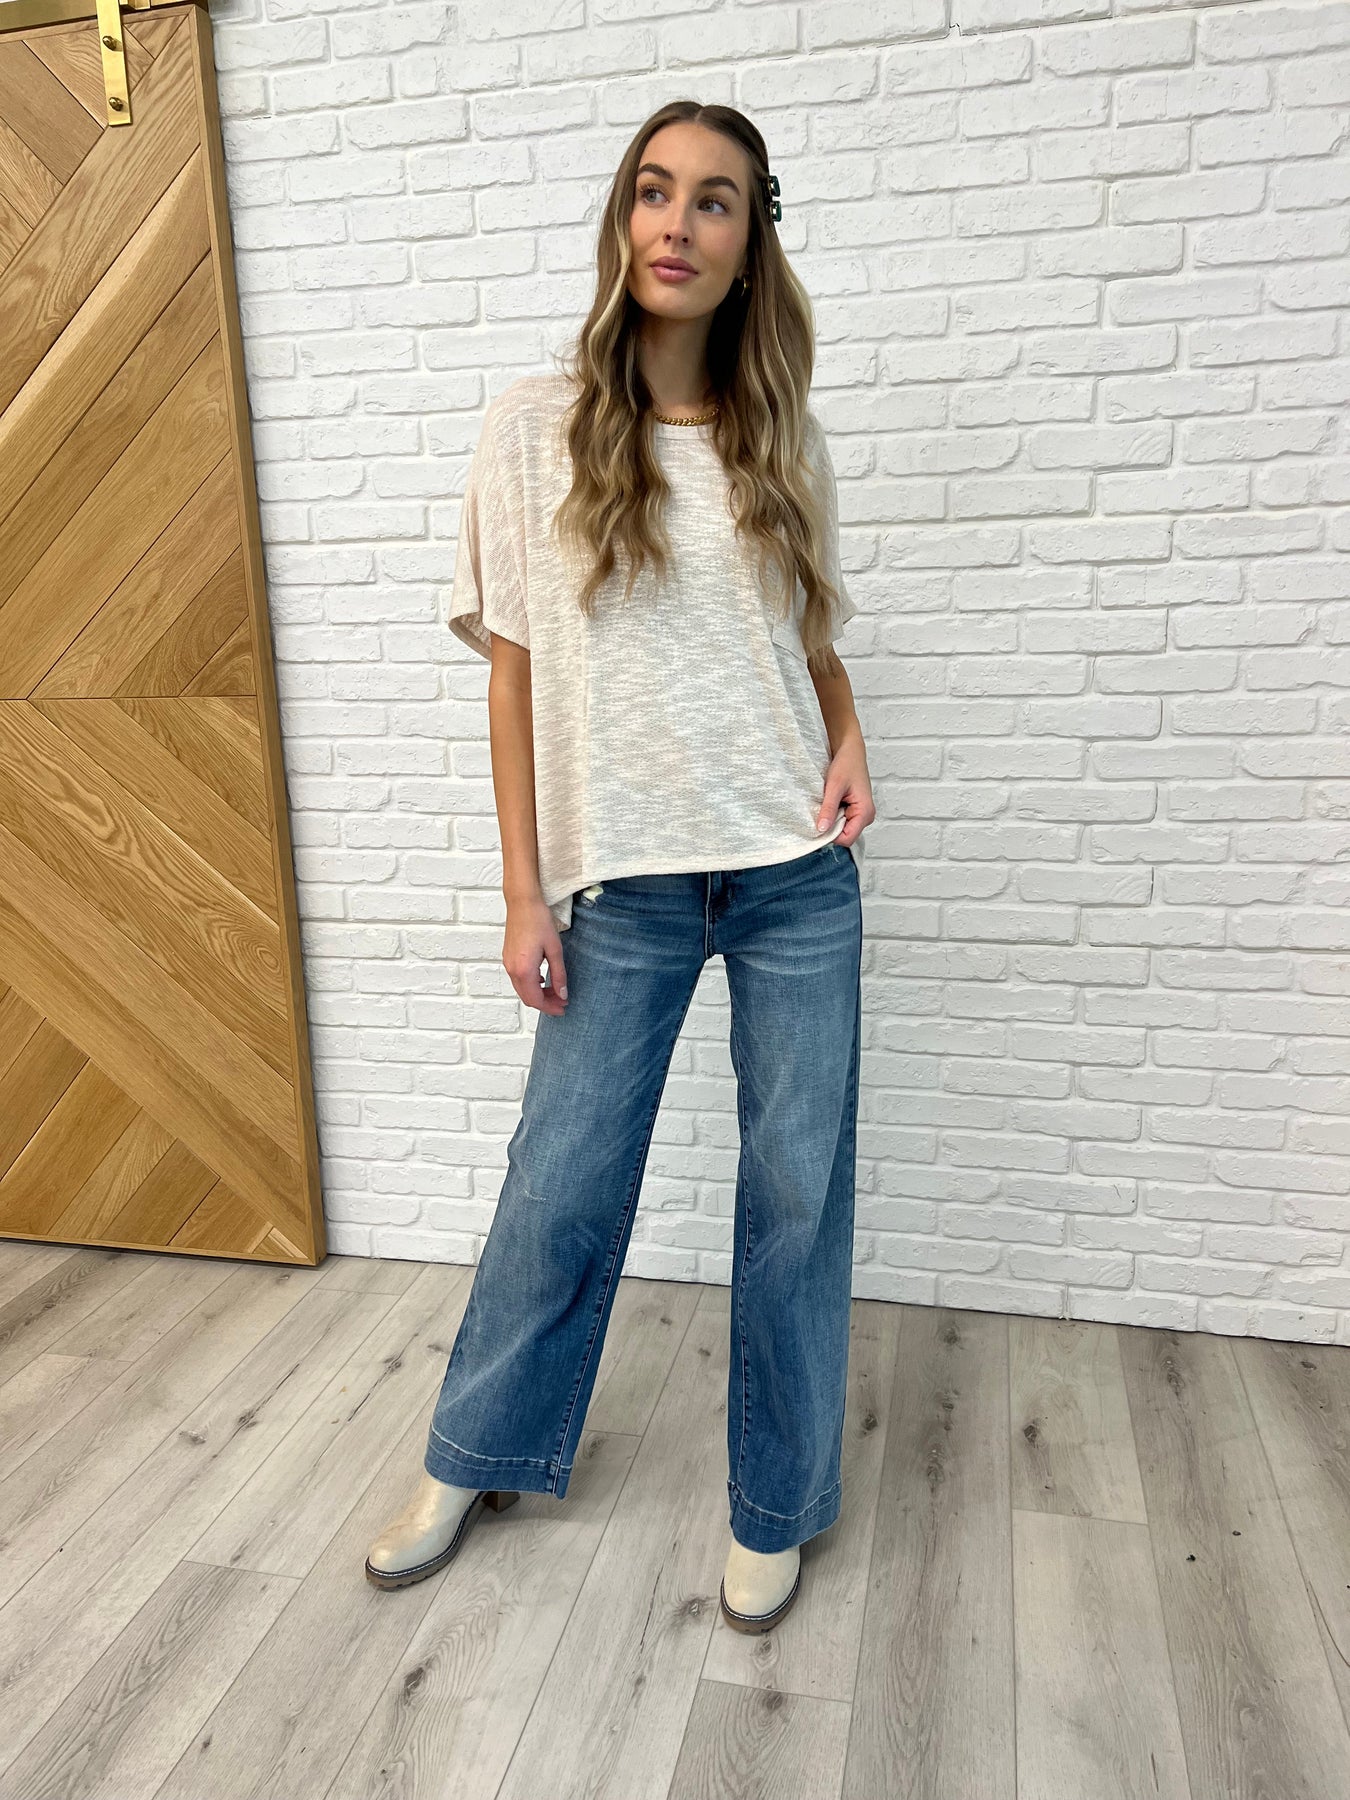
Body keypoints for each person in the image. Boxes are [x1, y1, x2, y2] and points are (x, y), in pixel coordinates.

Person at [365, 99, 875, 1637]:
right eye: (655, 191)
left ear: (748, 241)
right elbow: (512, 673)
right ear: (622, 218)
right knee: (562, 1178)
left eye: (714, 200)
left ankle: (775, 1506)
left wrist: (848, 736)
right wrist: (523, 889)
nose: (677, 222)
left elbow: (806, 640)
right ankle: (472, 1455)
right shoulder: (534, 428)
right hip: (623, 881)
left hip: (793, 868)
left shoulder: (780, 434)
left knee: (796, 1195)